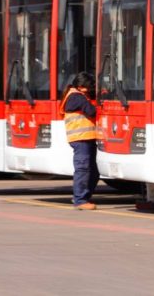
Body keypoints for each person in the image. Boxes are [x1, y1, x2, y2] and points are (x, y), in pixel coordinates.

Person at [59, 71, 99, 210]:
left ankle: (82, 196)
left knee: (93, 172)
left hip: (85, 138)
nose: (91, 89)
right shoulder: (77, 97)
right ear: (81, 86)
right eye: (90, 86)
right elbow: (92, 111)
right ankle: (80, 200)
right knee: (83, 169)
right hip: (81, 138)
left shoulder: (76, 95)